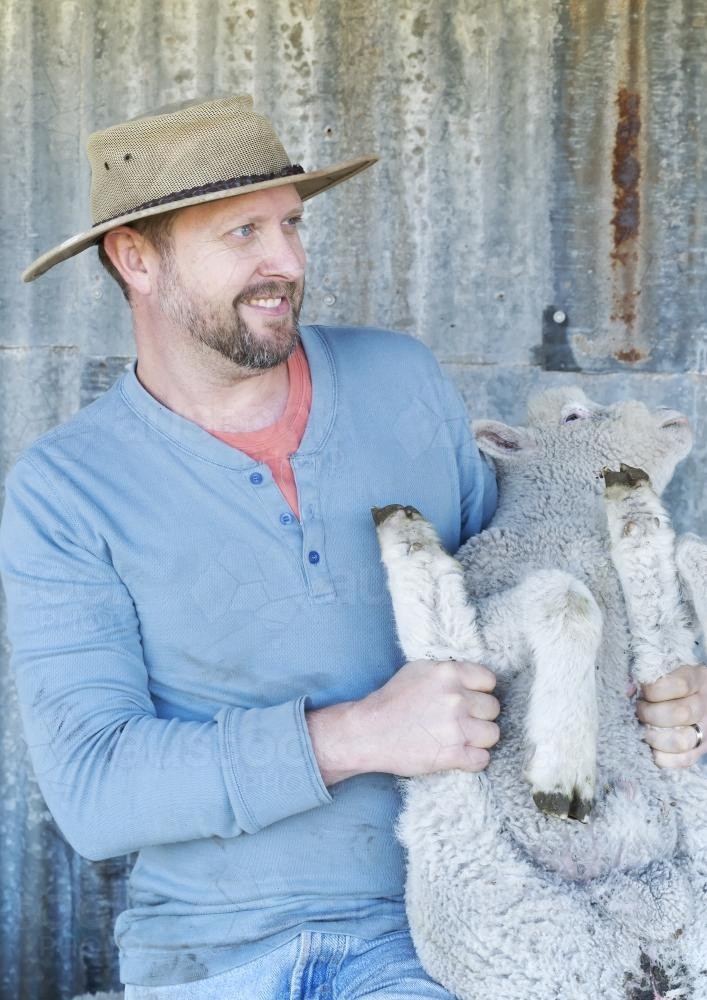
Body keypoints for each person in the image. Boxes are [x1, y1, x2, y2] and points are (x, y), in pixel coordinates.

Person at [1, 95, 705, 1000]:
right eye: (242, 234)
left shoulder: (397, 380)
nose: (286, 263)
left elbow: (529, 582)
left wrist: (657, 694)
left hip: (447, 934)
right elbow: (96, 790)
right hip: (209, 956)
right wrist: (362, 734)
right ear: (135, 257)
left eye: (291, 225)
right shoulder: (66, 488)